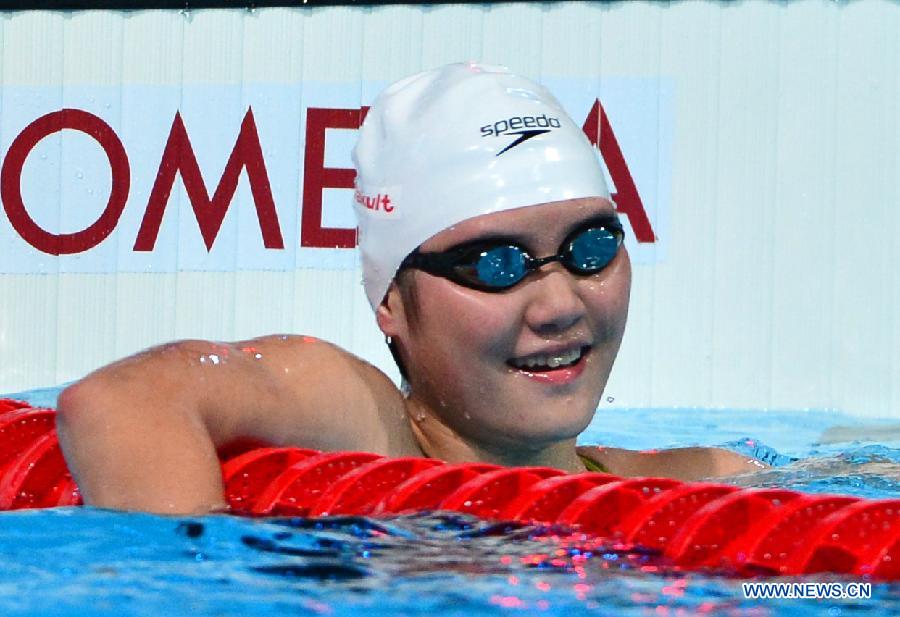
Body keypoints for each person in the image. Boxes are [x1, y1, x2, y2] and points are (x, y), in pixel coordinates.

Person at [56, 63, 764, 514]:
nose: (560, 305)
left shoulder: (695, 478)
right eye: (496, 264)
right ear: (391, 301)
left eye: (592, 247)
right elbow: (121, 400)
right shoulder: (375, 429)